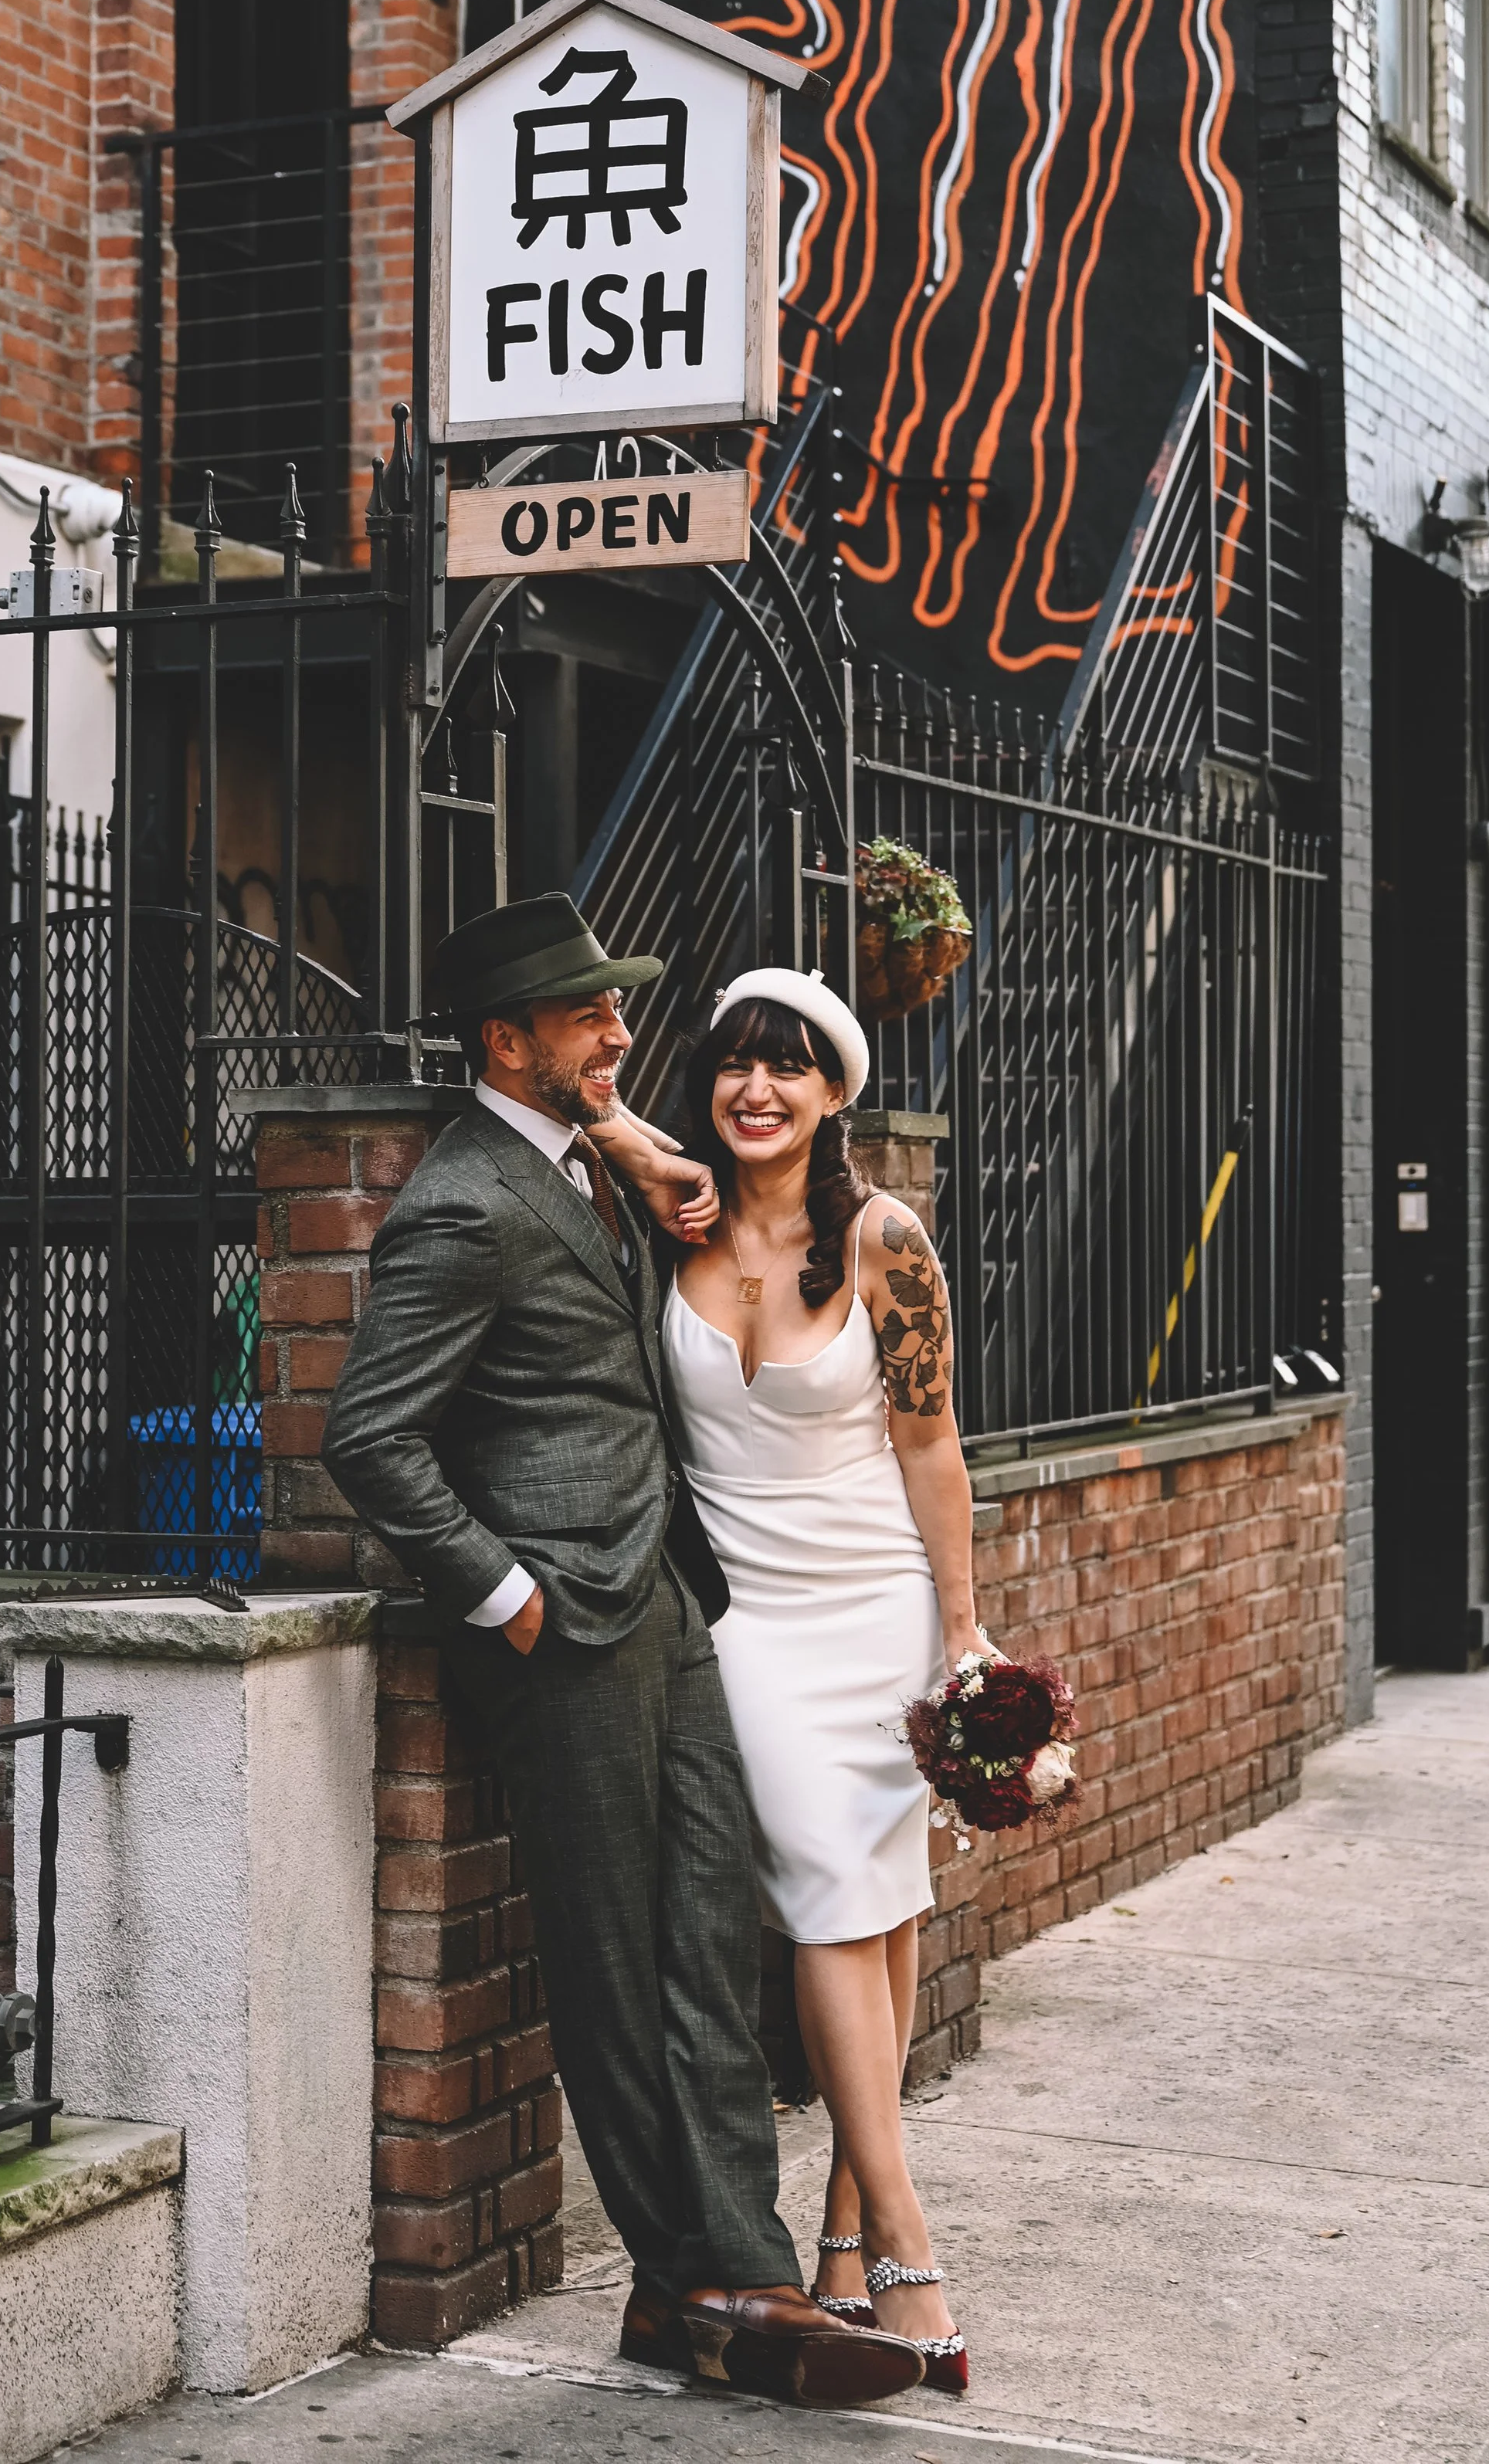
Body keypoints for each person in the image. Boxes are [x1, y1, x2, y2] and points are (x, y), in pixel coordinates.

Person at [321, 895, 924, 2410]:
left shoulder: (578, 1160)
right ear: (502, 1038)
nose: (617, 1030)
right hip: (560, 1636)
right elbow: (369, 1438)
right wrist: (503, 1595)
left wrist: (618, 1131)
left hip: (664, 1607)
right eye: (585, 1014)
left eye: (614, 1005)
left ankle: (727, 2274)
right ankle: (714, 2283)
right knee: (609, 1967)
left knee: (709, 1943)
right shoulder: (460, 1203)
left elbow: (610, 1151)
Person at [591, 964, 991, 2395]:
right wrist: (640, 1138)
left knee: (876, 1904)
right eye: (733, 1066)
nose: (755, 1091)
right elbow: (563, 1098)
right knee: (835, 1890)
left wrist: (962, 1631)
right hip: (746, 1623)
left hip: (879, 1605)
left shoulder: (887, 1238)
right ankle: (907, 2236)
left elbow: (933, 1444)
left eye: (790, 1068)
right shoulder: (669, 1219)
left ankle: (849, 2235)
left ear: (835, 1094)